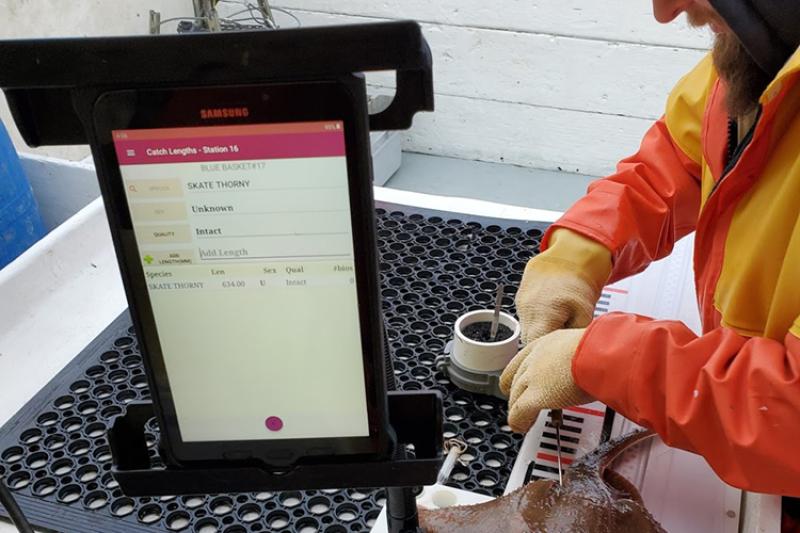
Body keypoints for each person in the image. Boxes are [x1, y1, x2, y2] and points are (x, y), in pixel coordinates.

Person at [499, 0, 800, 497]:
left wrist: (609, 361)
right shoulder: (761, 52)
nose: (666, 11)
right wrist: (580, 251)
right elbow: (683, 157)